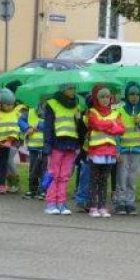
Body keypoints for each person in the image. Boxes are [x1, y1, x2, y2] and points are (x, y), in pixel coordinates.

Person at [83, 84, 125, 217]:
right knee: (94, 180)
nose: (105, 99)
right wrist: (112, 124)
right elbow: (95, 124)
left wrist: (108, 126)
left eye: (108, 96)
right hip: (96, 151)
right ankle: (93, 206)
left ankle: (102, 206)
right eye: (102, 96)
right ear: (96, 97)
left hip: (109, 152)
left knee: (103, 180)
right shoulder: (92, 112)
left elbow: (121, 129)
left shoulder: (115, 112)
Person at [43, 83, 83, 215]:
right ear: (63, 89)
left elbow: (78, 127)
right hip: (56, 143)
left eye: (74, 88)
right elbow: (48, 126)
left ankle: (61, 202)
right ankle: (51, 203)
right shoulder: (52, 104)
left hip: (71, 144)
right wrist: (47, 145)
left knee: (65, 176)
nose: (72, 91)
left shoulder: (76, 105)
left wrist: (79, 119)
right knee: (54, 174)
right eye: (70, 88)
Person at [114, 82, 140, 215]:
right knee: (122, 176)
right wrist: (117, 148)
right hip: (124, 149)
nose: (134, 97)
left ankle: (130, 202)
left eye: (137, 94)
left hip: (136, 149)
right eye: (131, 94)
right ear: (126, 96)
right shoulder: (120, 110)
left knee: (132, 177)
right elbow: (116, 132)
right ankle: (120, 201)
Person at [23, 99, 49, 200]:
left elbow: (51, 125)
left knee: (45, 170)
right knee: (33, 170)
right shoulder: (31, 110)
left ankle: (43, 190)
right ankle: (32, 189)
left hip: (45, 146)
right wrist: (26, 128)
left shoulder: (51, 111)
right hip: (33, 146)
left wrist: (37, 127)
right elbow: (21, 120)